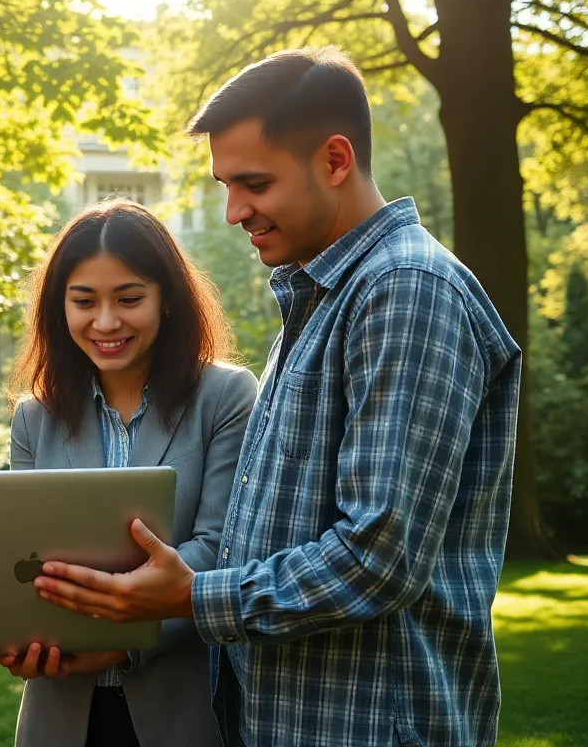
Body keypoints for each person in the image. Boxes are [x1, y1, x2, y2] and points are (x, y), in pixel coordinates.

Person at [32, 47, 521, 747]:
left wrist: (193, 595)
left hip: (369, 726)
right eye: (225, 185)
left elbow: (377, 559)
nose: (234, 212)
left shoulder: (405, 289)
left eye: (253, 183)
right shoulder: (321, 296)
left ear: (334, 159)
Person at [0, 199, 257, 746]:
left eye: (129, 298)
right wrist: (19, 637)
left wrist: (122, 642)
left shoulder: (226, 397)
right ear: (58, 308)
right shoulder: (34, 417)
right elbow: (22, 560)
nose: (106, 322)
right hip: (61, 714)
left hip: (181, 710)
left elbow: (220, 549)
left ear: (166, 300)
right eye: (84, 301)